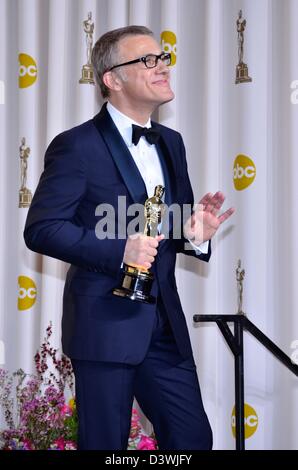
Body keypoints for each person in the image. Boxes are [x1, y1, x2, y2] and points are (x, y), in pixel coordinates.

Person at [24, 25, 235, 450]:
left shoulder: (172, 143)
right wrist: (120, 250)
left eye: (163, 59)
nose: (161, 68)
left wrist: (194, 233)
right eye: (147, 60)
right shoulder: (76, 146)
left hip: (163, 327)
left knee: (193, 439)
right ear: (112, 79)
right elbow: (42, 229)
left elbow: (170, 227)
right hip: (104, 324)